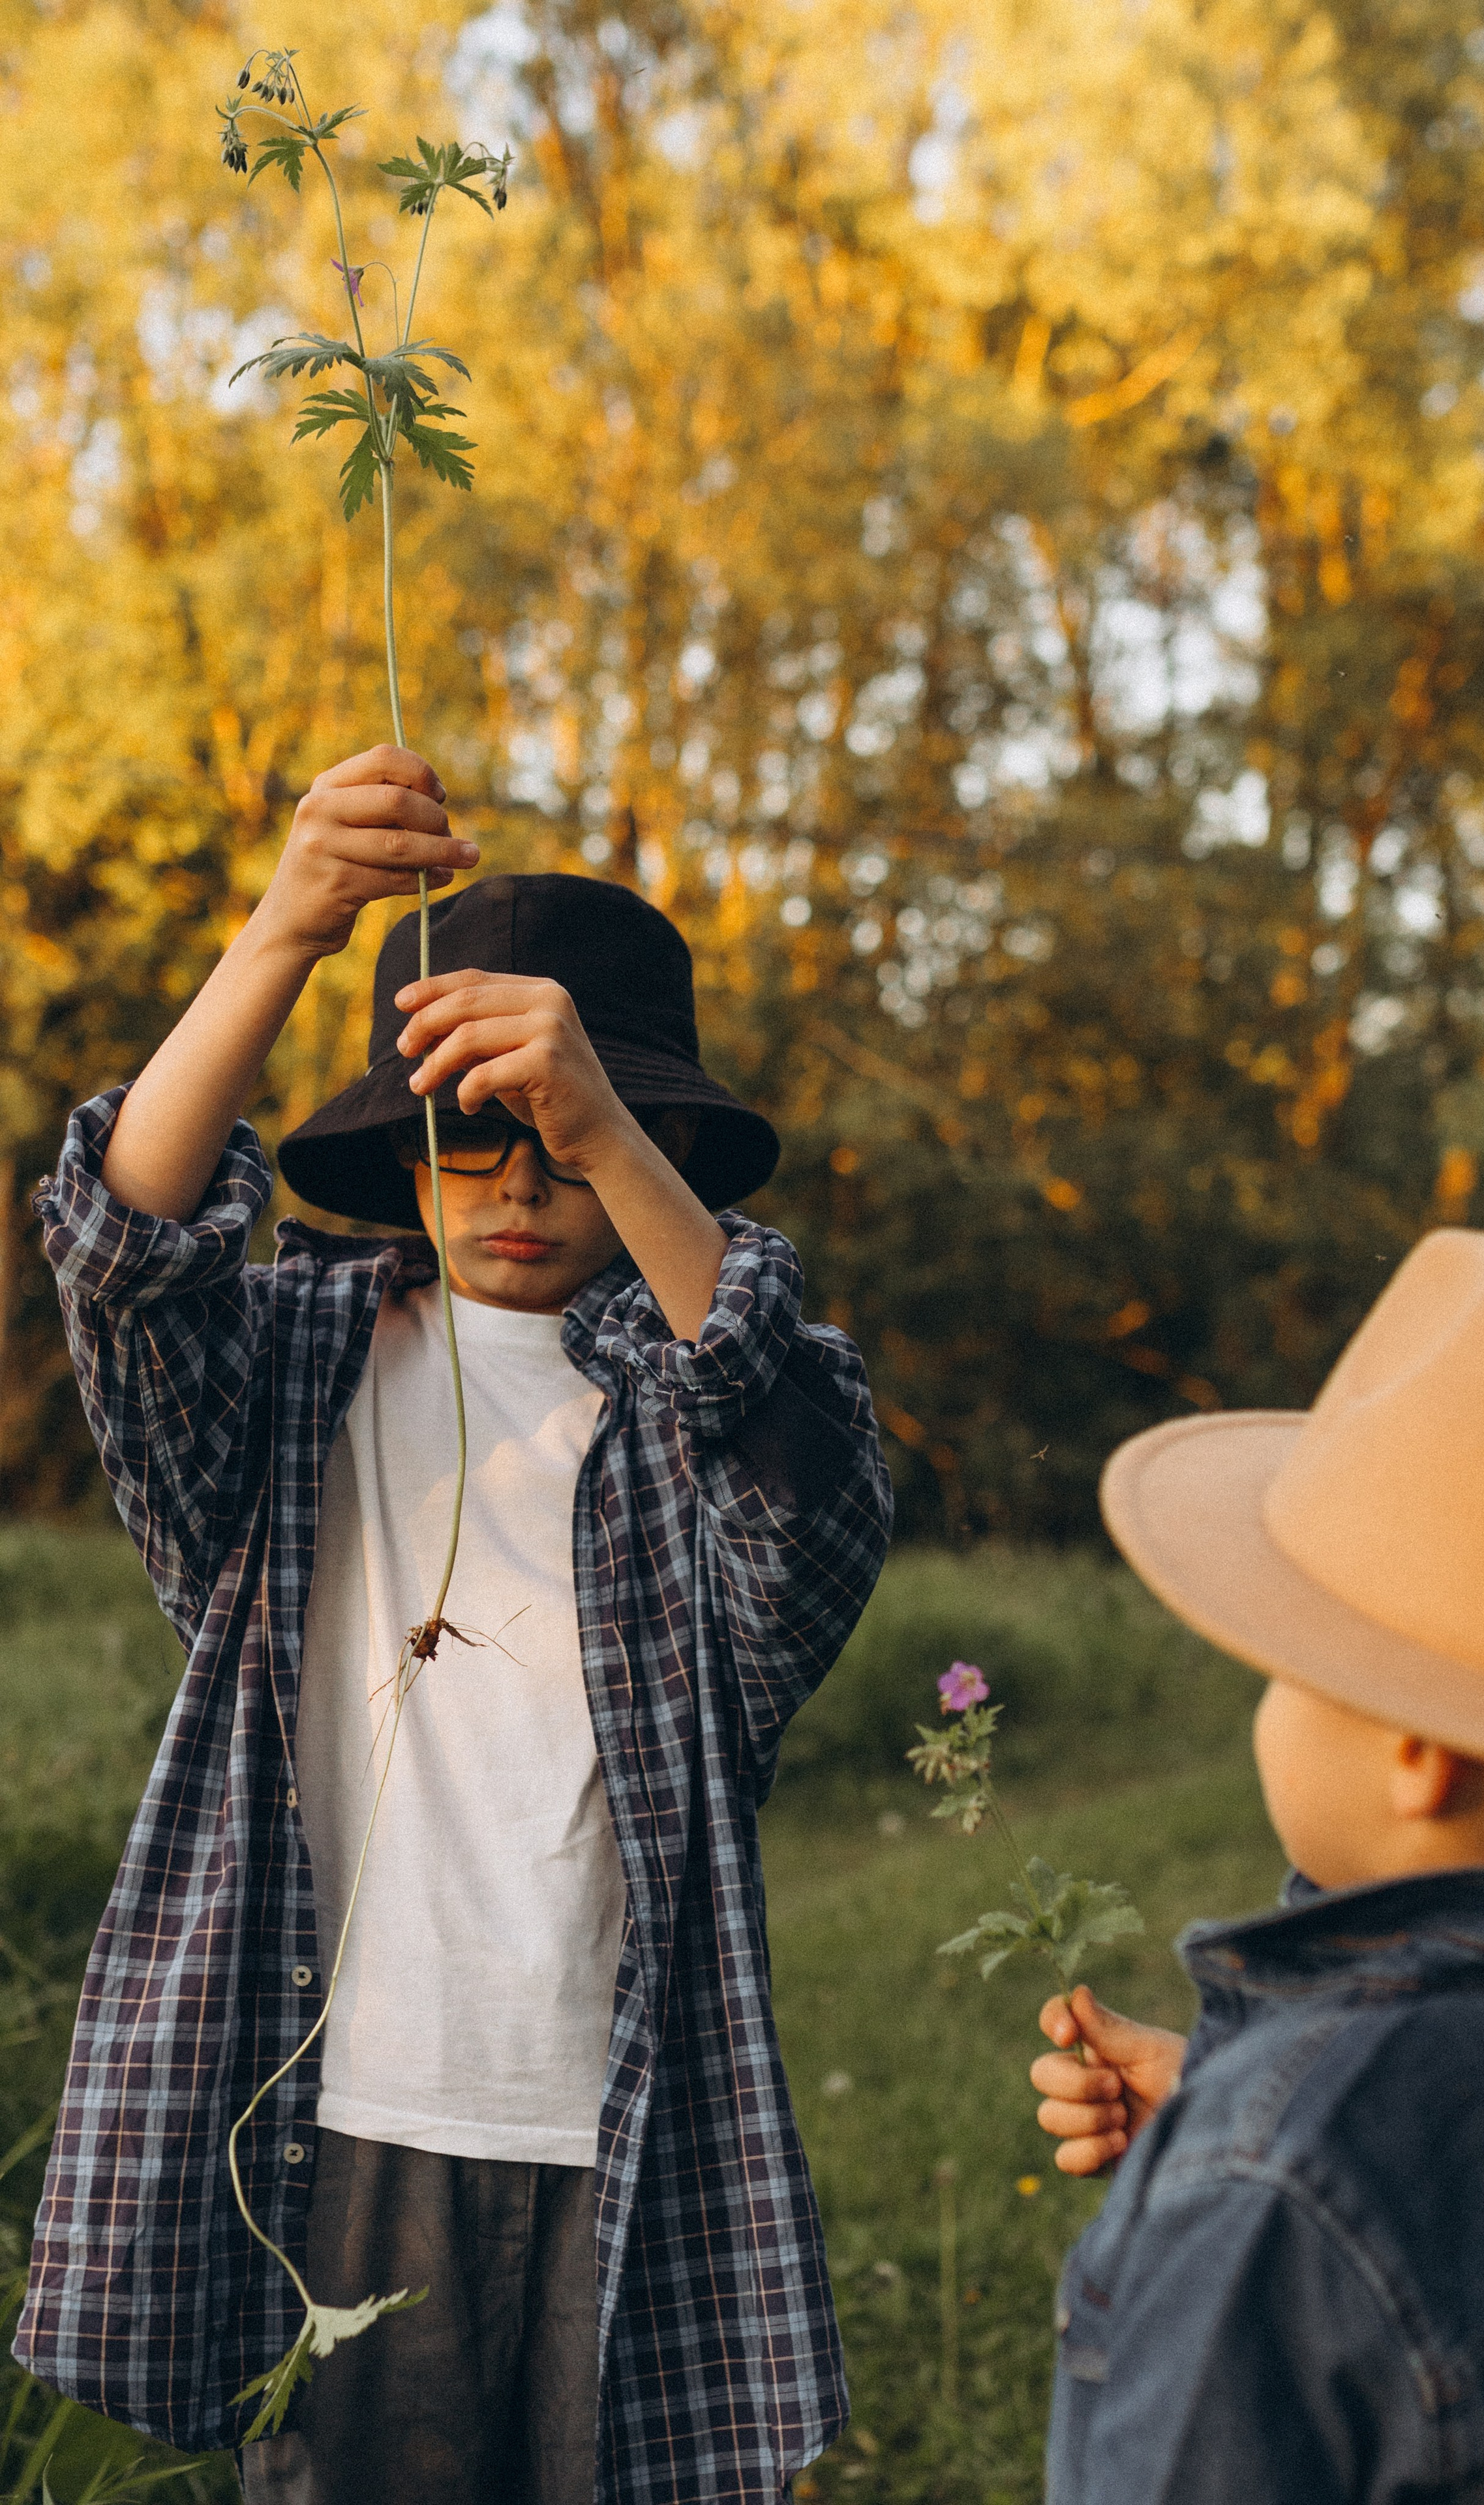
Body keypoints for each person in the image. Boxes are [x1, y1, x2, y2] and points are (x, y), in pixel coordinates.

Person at [15, 744, 892, 2505]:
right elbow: (120, 1250)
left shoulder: (707, 1399)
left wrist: (603, 1122)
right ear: (400, 1155)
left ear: (653, 1148)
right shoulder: (290, 1369)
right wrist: (283, 928)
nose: (514, 1180)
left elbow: (791, 1480)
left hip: (629, 2129)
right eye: (468, 1133)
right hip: (346, 2113)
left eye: (555, 1140)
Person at [1029, 1224, 1484, 2505]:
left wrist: (1259, 2155)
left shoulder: (1272, 2198)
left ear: (1414, 1752)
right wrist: (1234, 2093)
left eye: (1291, 1663)